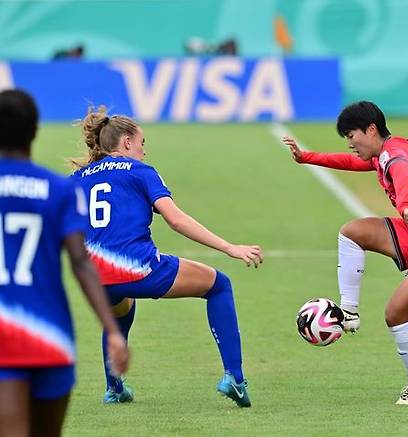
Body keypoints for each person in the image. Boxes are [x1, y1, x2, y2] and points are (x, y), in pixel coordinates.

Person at [71, 107, 262, 407]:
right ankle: (235, 378)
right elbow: (176, 220)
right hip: (140, 268)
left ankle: (115, 387)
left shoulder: (76, 178)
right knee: (218, 285)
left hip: (95, 278)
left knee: (121, 306)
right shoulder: (141, 171)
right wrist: (230, 247)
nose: (144, 152)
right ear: (127, 143)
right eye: (142, 143)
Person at [283, 101, 408, 405]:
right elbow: (349, 163)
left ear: (372, 129)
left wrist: (403, 205)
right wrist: (306, 157)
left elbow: (401, 174)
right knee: (353, 232)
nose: (350, 144)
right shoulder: (384, 152)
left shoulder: (393, 154)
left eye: (352, 135)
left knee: (396, 314)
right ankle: (348, 311)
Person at [0, 90, 129, 436]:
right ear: (34, 132)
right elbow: (81, 263)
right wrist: (113, 331)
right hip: (50, 333)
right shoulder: (58, 190)